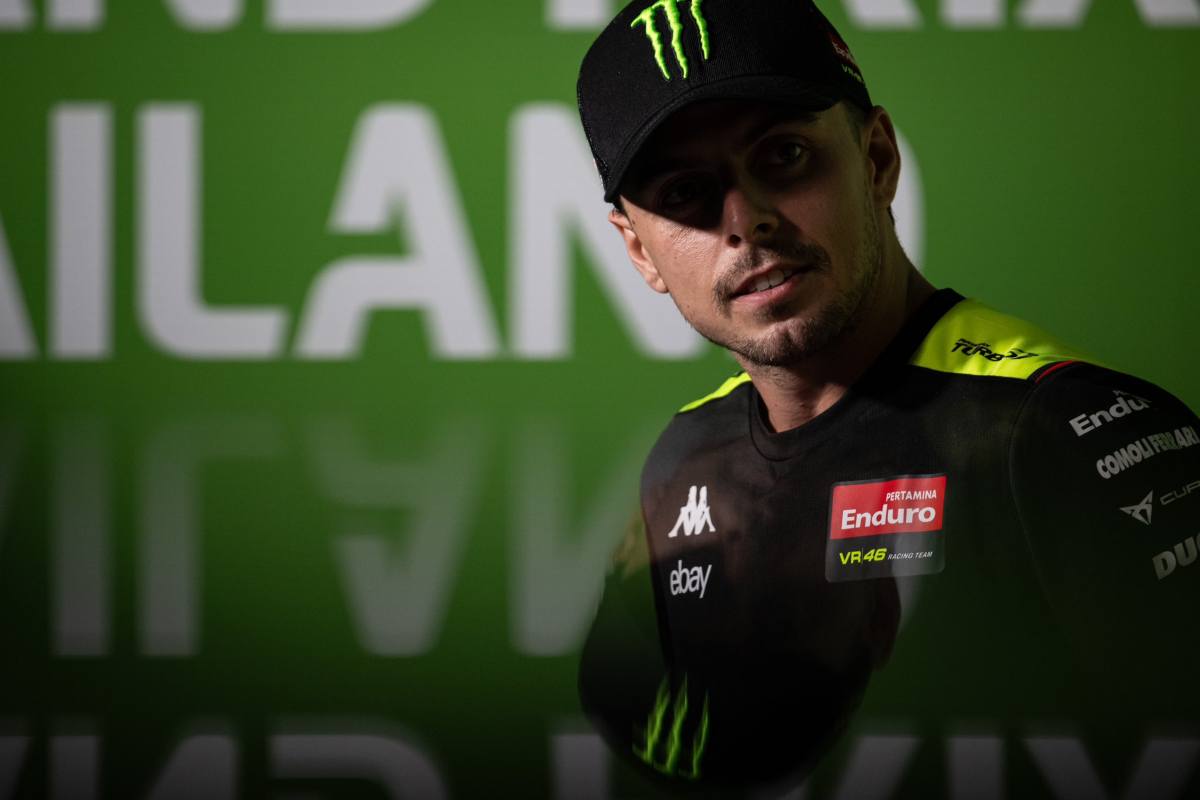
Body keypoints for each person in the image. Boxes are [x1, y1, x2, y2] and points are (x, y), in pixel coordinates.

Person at [573, 0, 1200, 795]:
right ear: (639, 251)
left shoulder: (1062, 434)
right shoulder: (685, 460)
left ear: (876, 160)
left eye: (784, 155)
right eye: (686, 192)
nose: (746, 222)